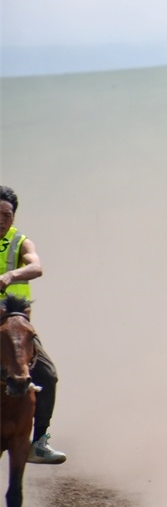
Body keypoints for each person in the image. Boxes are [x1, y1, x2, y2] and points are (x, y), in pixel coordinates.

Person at [0, 186, 67, 464]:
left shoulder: (20, 242)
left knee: (48, 375)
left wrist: (11, 275)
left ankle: (38, 442)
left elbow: (36, 267)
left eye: (8, 214)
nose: (3, 219)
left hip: (15, 328)